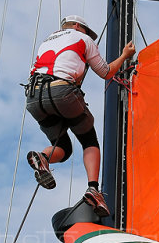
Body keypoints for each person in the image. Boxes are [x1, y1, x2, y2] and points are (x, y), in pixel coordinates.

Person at [24, 14, 136, 217]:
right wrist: (124, 55)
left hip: (34, 97)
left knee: (64, 148)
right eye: (85, 29)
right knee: (89, 140)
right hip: (61, 91)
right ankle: (94, 189)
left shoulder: (47, 41)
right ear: (76, 26)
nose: (87, 34)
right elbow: (106, 72)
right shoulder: (83, 39)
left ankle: (43, 157)